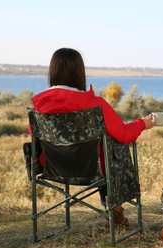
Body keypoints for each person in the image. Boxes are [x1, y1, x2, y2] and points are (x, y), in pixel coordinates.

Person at [31, 47, 154, 226]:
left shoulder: (38, 106)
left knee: (101, 150)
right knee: (112, 150)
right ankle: (115, 212)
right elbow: (124, 134)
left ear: (53, 71)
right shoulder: (95, 105)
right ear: (79, 72)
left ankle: (115, 213)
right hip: (92, 170)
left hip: (54, 168)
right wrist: (141, 124)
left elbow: (37, 140)